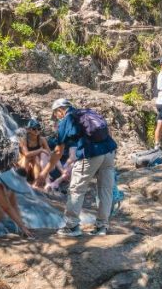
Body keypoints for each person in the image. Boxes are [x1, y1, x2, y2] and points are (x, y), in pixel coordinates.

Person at [40, 98, 118, 237]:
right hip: (109, 151)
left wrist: (44, 172)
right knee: (106, 190)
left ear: (60, 110)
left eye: (55, 114)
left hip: (92, 153)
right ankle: (102, 227)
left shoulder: (68, 119)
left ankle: (72, 226)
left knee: (76, 189)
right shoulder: (86, 112)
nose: (56, 117)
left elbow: (58, 151)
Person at [17, 119, 50, 186]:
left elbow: (48, 152)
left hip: (35, 166)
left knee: (36, 158)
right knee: (28, 158)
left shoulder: (42, 140)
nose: (37, 131)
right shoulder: (23, 140)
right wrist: (40, 150)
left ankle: (37, 182)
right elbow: (26, 154)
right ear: (28, 130)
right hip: (24, 165)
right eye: (34, 129)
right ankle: (21, 180)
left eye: (39, 129)